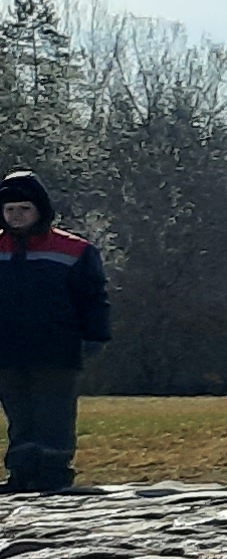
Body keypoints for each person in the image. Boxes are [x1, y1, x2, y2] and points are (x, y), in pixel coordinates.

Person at [0, 168, 111, 495]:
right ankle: (21, 473)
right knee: (19, 416)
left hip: (57, 349)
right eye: (9, 210)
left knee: (54, 415)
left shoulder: (74, 251)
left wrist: (95, 336)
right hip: (6, 350)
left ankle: (53, 473)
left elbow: (93, 298)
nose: (16, 216)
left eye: (24, 209)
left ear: (40, 210)